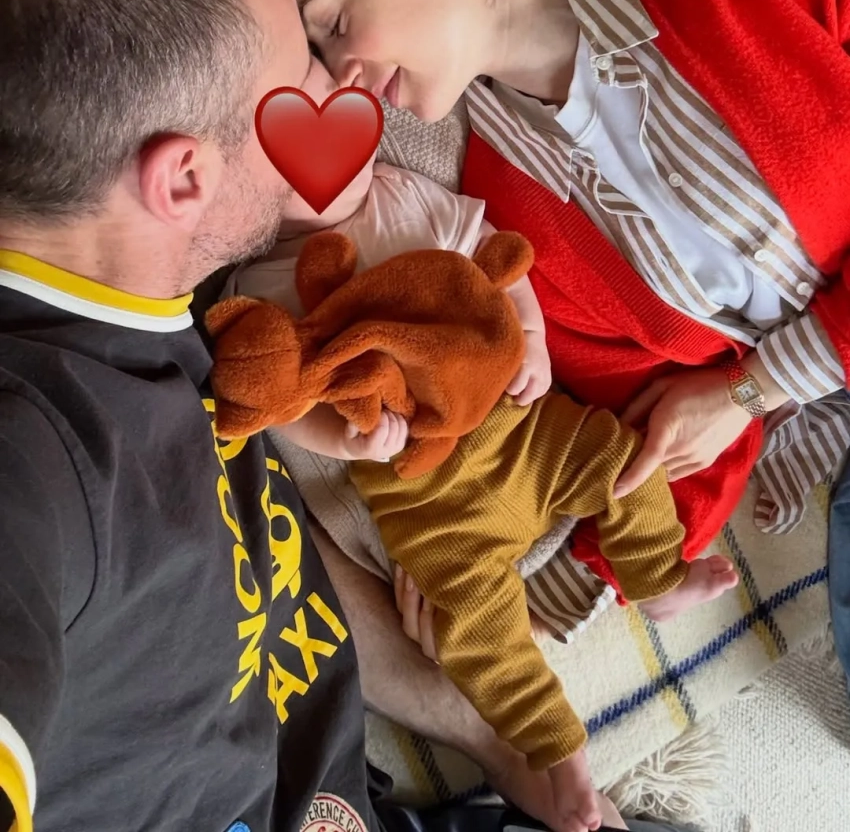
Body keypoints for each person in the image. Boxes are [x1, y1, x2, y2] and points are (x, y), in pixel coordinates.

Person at [0, 0, 657, 832]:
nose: (339, 90)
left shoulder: (160, 316)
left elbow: (265, 557)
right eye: (300, 73)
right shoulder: (30, 449)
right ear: (184, 177)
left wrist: (483, 731)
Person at [201, 0, 850, 628]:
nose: (338, 75)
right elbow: (653, 434)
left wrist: (758, 385)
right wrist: (532, 599)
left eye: (335, 20)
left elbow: (731, 392)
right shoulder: (500, 227)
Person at [212, 140, 738, 832]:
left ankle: (656, 576)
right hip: (428, 505)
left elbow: (498, 259)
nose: (331, 152)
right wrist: (346, 441)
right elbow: (285, 408)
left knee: (623, 461)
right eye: (287, 152)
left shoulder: (402, 194)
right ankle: (559, 749)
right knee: (479, 635)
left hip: (520, 432)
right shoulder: (255, 289)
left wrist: (532, 337)